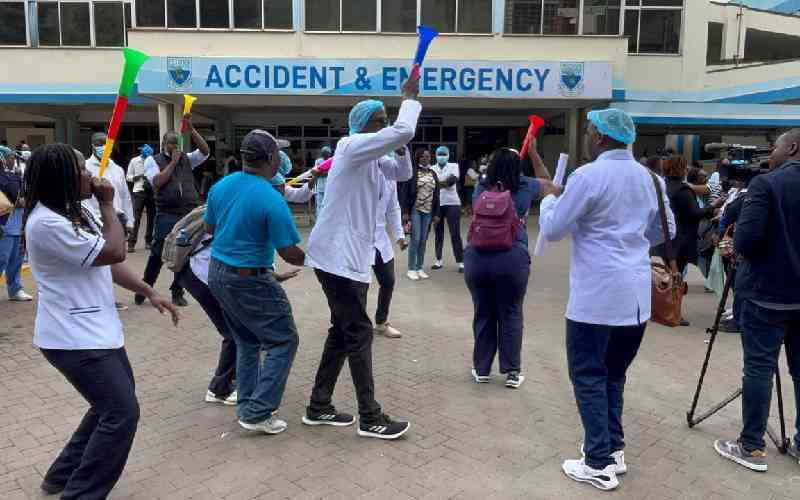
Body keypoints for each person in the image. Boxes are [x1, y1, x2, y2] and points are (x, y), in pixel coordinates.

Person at [23, 144, 178, 499]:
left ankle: (60, 476)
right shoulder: (46, 223)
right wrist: (108, 204)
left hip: (96, 332)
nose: (92, 176)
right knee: (121, 414)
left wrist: (148, 290)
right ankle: (81, 493)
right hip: (73, 339)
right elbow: (114, 250)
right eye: (82, 169)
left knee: (109, 407)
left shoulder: (74, 212)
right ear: (61, 178)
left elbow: (107, 262)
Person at [539, 109, 675, 491]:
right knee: (614, 375)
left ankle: (597, 461)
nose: (584, 135)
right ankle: (613, 448)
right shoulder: (651, 178)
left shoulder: (587, 176)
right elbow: (667, 229)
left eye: (588, 130)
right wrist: (627, 242)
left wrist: (551, 198)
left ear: (599, 137)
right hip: (635, 297)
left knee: (588, 375)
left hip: (596, 296)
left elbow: (551, 229)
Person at [303, 78, 419, 440]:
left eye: (387, 117)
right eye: (379, 119)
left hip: (349, 258)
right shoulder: (351, 146)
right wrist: (409, 100)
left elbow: (404, 172)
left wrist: (399, 145)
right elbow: (403, 130)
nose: (384, 124)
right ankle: (370, 417)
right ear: (362, 124)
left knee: (342, 332)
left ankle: (319, 405)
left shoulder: (375, 159)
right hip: (337, 259)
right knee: (359, 332)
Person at [206, 130, 305, 435]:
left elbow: (210, 226)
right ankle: (258, 411)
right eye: (279, 153)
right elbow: (290, 253)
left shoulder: (222, 186)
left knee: (247, 341)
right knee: (283, 340)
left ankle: (248, 403)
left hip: (219, 274)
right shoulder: (270, 198)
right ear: (272, 159)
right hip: (250, 279)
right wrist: (315, 254)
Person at [713, 128, 800, 471]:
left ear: (792, 147)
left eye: (775, 146)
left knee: (760, 369)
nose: (771, 153)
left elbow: (745, 241)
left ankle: (752, 447)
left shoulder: (767, 184)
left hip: (766, 295)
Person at [465, 144, 557, 389]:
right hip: (512, 259)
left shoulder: (481, 186)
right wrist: (535, 152)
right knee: (511, 313)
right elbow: (550, 184)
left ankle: (481, 369)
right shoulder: (526, 184)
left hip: (478, 258)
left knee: (483, 312)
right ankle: (512, 372)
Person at [137, 114, 210, 307]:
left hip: (187, 213)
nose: (174, 146)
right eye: (170, 143)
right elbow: (157, 182)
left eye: (176, 143)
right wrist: (173, 162)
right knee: (158, 251)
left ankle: (177, 290)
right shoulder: (152, 160)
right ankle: (146, 287)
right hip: (167, 214)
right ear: (163, 144)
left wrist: (192, 130)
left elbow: (205, 151)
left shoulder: (187, 159)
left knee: (184, 251)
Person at [372, 163, 409, 339]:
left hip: (379, 238)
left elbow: (393, 208)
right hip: (357, 237)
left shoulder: (390, 177)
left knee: (388, 281)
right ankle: (351, 325)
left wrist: (399, 236)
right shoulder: (358, 170)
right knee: (356, 286)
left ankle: (381, 322)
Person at [400, 149, 439, 281]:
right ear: (418, 158)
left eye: (428, 156)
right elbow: (404, 193)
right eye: (423, 156)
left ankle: (419, 267)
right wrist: (405, 212)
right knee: (415, 239)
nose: (426, 158)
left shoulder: (433, 173)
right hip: (415, 210)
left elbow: (437, 195)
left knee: (423, 240)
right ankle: (411, 269)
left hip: (428, 211)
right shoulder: (412, 173)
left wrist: (437, 213)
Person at [0, 146, 32, 301]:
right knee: (2, 258)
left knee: (16, 259)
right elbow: (15, 197)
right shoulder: (5, 177)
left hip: (17, 223)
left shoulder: (17, 175)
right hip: (3, 224)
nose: (14, 160)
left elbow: (24, 197)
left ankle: (15, 289)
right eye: (11, 157)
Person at [431, 146, 464, 272]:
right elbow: (442, 183)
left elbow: (451, 181)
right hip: (437, 204)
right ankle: (438, 260)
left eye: (444, 154)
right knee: (438, 233)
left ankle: (461, 262)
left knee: (455, 233)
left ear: (449, 155)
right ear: (436, 155)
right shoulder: (431, 168)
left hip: (452, 203)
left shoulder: (454, 166)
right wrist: (441, 184)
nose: (442, 156)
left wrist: (436, 184)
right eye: (439, 154)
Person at [126, 144, 156, 252]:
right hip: (138, 191)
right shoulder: (134, 161)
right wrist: (137, 177)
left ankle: (148, 241)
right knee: (136, 218)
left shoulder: (153, 161)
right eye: (145, 155)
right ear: (142, 153)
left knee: (151, 218)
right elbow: (128, 176)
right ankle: (131, 243)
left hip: (151, 191)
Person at [314, 145, 332, 219]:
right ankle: (319, 220)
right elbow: (316, 173)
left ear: (329, 154)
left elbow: (331, 172)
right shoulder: (318, 161)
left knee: (328, 205)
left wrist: (322, 172)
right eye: (324, 153)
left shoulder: (332, 160)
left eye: (327, 153)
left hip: (329, 187)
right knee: (319, 205)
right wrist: (324, 172)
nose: (325, 154)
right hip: (320, 187)